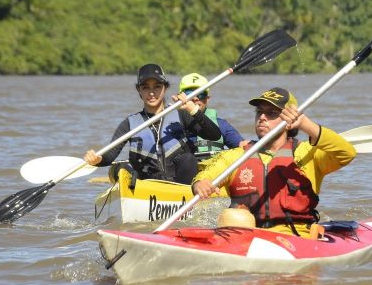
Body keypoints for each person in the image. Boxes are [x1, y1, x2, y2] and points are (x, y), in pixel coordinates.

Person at [192, 87, 356, 238]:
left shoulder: (306, 154)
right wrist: (200, 183)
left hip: (295, 238)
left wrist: (307, 125)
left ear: (290, 119)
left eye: (271, 113)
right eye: (259, 112)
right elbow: (207, 174)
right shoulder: (237, 156)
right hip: (245, 237)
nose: (262, 117)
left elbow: (346, 153)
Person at [84, 63, 222, 184]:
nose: (151, 93)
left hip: (180, 186)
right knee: (121, 169)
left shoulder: (181, 114)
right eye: (145, 87)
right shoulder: (129, 124)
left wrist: (194, 110)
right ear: (139, 90)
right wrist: (98, 159)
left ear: (165, 88)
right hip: (148, 187)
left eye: (157, 87)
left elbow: (214, 135)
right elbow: (110, 155)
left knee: (188, 159)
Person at [178, 72, 245, 157]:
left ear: (207, 98)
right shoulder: (171, 123)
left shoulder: (221, 125)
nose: (195, 98)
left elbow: (243, 145)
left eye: (201, 94)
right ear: (180, 97)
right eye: (189, 94)